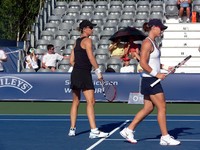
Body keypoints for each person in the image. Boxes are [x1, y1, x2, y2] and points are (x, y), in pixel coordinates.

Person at [120, 19, 181, 146]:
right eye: (160, 28)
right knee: (162, 107)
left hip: (150, 78)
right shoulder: (147, 43)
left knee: (148, 108)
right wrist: (156, 74)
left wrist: (165, 68)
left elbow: (154, 62)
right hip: (150, 79)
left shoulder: (153, 43)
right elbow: (143, 63)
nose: (162, 30)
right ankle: (165, 137)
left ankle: (128, 129)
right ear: (153, 27)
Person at [68, 20, 109, 139]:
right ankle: (94, 130)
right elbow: (91, 57)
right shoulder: (88, 40)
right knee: (91, 102)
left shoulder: (76, 42)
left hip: (75, 73)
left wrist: (80, 64)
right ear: (85, 29)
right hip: (84, 74)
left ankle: (72, 129)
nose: (92, 29)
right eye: (90, 27)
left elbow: (71, 61)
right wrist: (98, 71)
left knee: (75, 102)